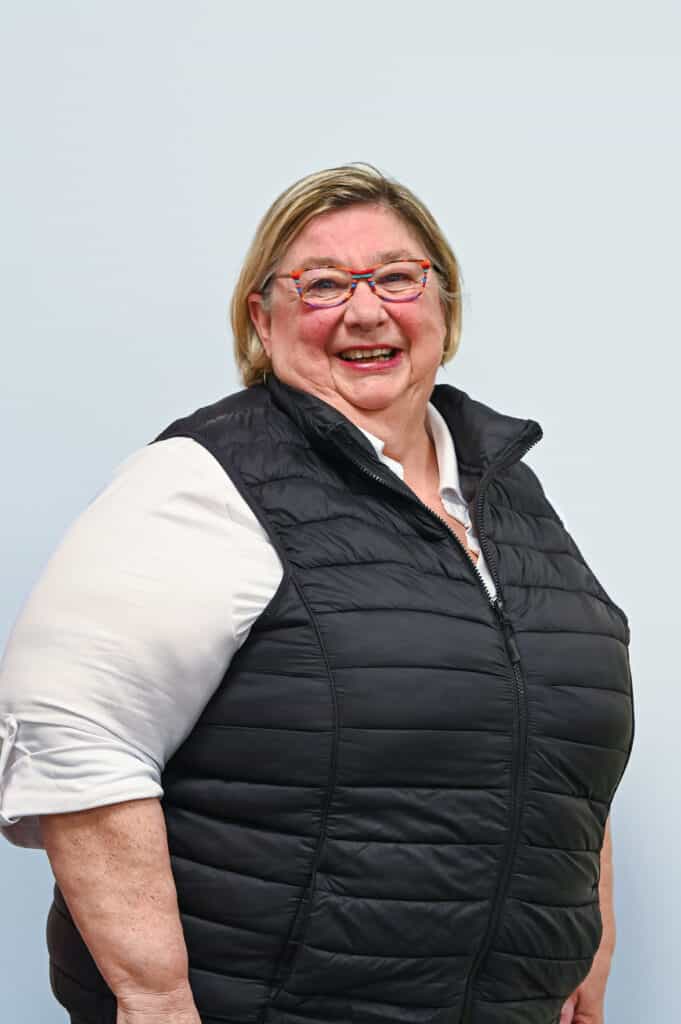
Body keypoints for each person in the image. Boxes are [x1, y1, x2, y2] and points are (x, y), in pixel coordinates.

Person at [0, 163, 634, 1024]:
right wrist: (154, 999)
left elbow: (560, 732)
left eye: (398, 277)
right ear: (262, 320)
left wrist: (583, 940)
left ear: (443, 307)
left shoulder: (507, 494)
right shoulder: (202, 481)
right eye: (323, 284)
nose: (365, 311)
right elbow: (70, 729)